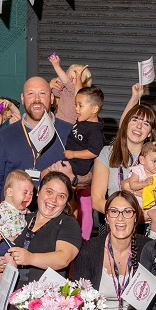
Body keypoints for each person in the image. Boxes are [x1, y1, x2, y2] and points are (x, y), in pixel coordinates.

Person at [0, 172, 83, 310]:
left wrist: (30, 258)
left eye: (61, 196)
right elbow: (0, 248)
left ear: (67, 202)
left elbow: (64, 258)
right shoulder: (23, 219)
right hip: (11, 308)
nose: (53, 200)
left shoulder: (67, 224)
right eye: (49, 191)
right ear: (39, 191)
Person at [72, 191, 150, 310]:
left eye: (127, 212)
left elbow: (144, 305)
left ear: (136, 216)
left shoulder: (148, 249)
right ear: (106, 217)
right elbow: (79, 302)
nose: (120, 218)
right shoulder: (89, 250)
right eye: (114, 211)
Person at [0, 76, 73, 216]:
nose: (37, 99)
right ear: (23, 99)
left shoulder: (68, 133)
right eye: (31, 94)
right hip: (13, 223)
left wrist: (74, 178)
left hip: (54, 223)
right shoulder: (5, 136)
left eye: (42, 93)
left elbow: (89, 176)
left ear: (52, 98)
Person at [91, 104, 156, 217]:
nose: (139, 126)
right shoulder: (107, 153)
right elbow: (97, 200)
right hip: (115, 221)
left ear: (150, 133)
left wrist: (139, 217)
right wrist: (122, 216)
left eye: (146, 124)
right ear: (125, 123)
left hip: (149, 224)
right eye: (135, 120)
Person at [0, 169, 34, 304]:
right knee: (10, 268)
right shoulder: (3, 209)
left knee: (0, 276)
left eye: (31, 193)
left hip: (7, 244)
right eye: (25, 193)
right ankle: (7, 297)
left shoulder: (22, 211)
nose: (28, 197)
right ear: (10, 192)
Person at [63, 86, 105, 240]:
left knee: (71, 196)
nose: (76, 109)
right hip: (70, 160)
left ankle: (78, 234)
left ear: (94, 109)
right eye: (76, 104)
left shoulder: (94, 131)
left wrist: (73, 153)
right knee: (82, 203)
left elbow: (94, 151)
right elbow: (79, 94)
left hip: (78, 167)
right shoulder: (84, 118)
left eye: (80, 106)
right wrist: (79, 78)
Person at [122, 141, 156, 236]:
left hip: (152, 204)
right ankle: (130, 235)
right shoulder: (138, 170)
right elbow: (132, 185)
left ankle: (153, 237)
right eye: (154, 161)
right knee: (129, 216)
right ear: (142, 160)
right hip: (138, 202)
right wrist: (144, 183)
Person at [47, 53, 92, 125]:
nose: (72, 80)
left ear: (85, 84)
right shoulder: (66, 90)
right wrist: (60, 82)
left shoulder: (79, 94)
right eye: (70, 77)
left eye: (77, 78)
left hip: (69, 124)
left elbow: (67, 82)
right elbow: (55, 91)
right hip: (57, 120)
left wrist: (56, 66)